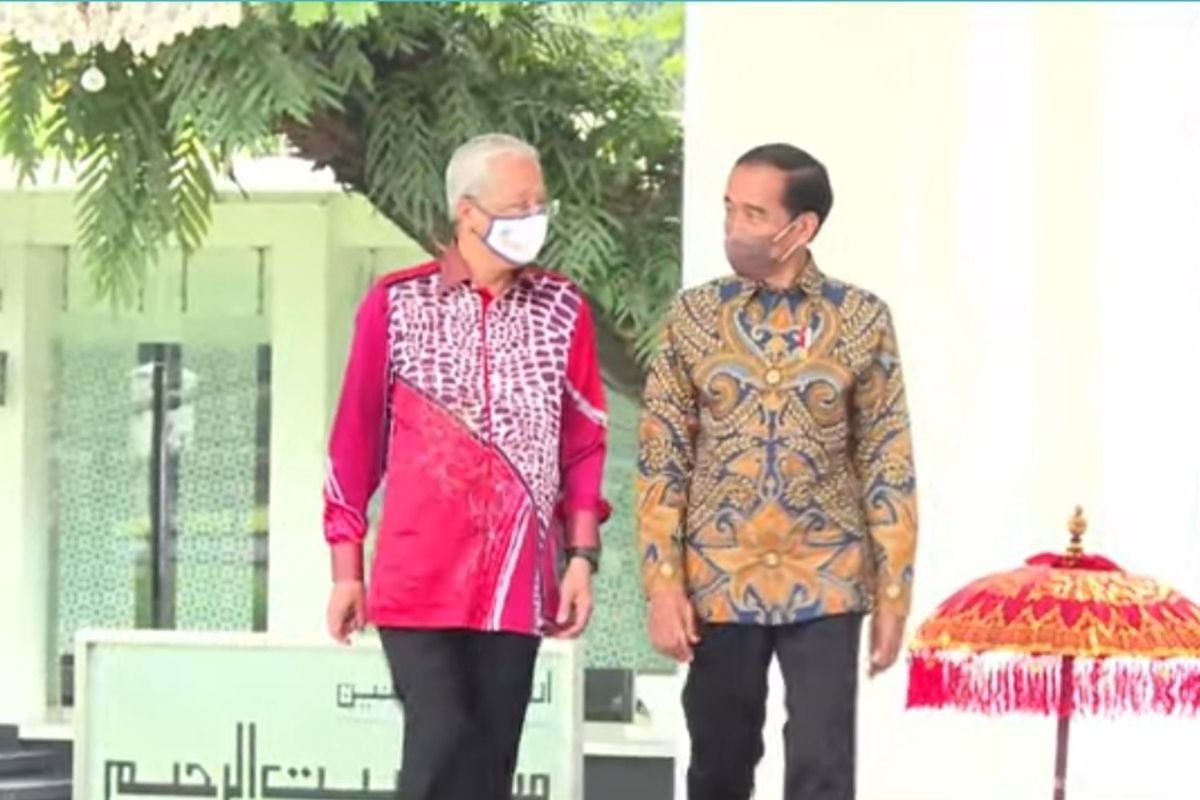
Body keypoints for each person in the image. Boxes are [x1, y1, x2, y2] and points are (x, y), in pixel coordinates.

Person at [323, 133, 609, 800]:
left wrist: (579, 559)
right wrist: (345, 570)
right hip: (416, 580)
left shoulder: (563, 310)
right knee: (440, 734)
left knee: (488, 764)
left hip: (517, 583)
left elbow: (584, 443)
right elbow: (354, 443)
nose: (534, 215)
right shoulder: (396, 305)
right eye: (518, 203)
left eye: (541, 202)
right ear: (468, 213)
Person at [636, 143, 918, 800]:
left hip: (827, 579)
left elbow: (887, 459)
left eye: (755, 213)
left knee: (822, 767)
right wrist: (661, 584)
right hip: (717, 578)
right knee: (718, 762)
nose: (736, 227)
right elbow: (662, 456)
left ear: (802, 228)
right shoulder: (694, 317)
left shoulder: (862, 320)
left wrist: (894, 596)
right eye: (730, 209)